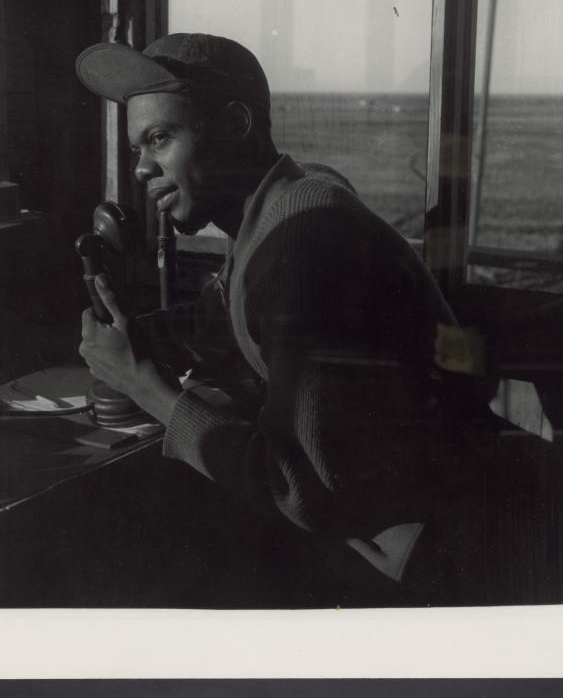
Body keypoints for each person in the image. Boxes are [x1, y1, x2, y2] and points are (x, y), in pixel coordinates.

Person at [76, 32, 504, 605]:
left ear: (235, 123)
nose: (140, 169)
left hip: (438, 556)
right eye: (136, 150)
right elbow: (228, 318)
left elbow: (304, 490)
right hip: (415, 517)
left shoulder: (300, 242)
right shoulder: (292, 197)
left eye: (160, 138)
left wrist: (144, 388)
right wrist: (136, 334)